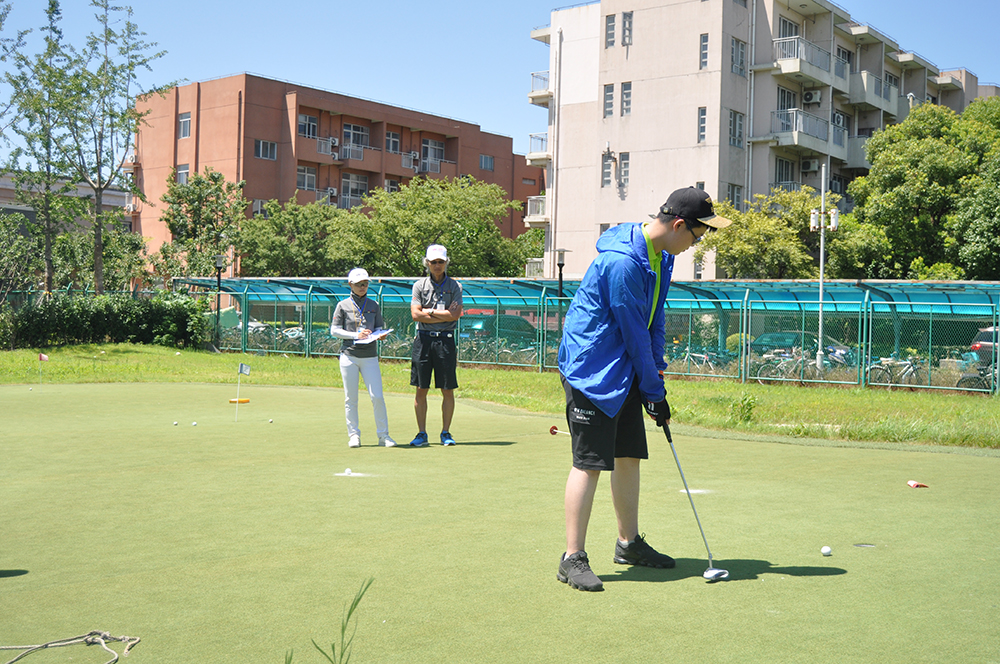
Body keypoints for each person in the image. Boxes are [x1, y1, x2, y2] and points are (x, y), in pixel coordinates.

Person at [556, 187, 732, 591]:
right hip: (593, 372)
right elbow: (632, 330)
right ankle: (572, 557)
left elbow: (654, 320)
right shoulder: (622, 263)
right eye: (698, 235)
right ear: (679, 225)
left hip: (626, 368)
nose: (697, 244)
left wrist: (656, 374)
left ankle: (628, 543)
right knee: (590, 462)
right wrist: (653, 390)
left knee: (628, 455)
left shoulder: (662, 257)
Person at [330, 268, 395, 448]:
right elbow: (334, 330)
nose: (362, 287)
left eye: (365, 284)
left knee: (377, 397)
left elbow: (379, 327)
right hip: (349, 356)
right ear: (350, 284)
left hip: (370, 357)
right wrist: (354, 335)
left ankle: (384, 436)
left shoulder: (374, 305)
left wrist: (380, 334)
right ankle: (354, 435)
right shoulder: (342, 305)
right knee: (351, 398)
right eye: (358, 284)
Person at [408, 244, 463, 447]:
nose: (437, 265)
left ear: (446, 262)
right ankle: (421, 433)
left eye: (440, 262)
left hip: (446, 341)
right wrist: (441, 313)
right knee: (421, 388)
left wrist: (428, 312)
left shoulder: (455, 286)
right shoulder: (419, 286)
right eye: (433, 262)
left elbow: (455, 314)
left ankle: (446, 433)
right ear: (427, 263)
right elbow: (415, 315)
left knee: (447, 389)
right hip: (423, 341)